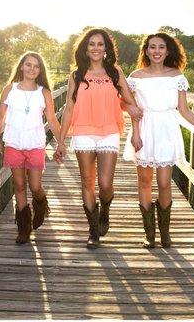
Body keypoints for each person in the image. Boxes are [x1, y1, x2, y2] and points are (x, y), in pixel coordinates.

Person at [123, 32, 194, 248]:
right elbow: (133, 109)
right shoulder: (136, 76)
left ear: (168, 50)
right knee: (144, 182)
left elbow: (183, 110)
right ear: (146, 50)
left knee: (164, 183)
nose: (156, 51)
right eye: (152, 47)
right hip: (144, 128)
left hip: (166, 130)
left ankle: (165, 233)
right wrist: (135, 133)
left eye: (161, 47)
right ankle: (150, 235)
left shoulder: (177, 76)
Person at [54, 28, 142, 248]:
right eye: (91, 44)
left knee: (105, 183)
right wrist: (61, 140)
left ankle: (106, 209)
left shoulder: (115, 72)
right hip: (83, 131)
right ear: (85, 48)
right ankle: (93, 229)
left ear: (106, 48)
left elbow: (129, 101)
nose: (95, 48)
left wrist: (132, 113)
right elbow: (69, 108)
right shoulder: (76, 75)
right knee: (87, 182)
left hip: (109, 131)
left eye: (100, 44)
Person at [0, 51, 62, 244]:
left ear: (40, 70)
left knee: (35, 185)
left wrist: (61, 142)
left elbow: (52, 119)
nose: (32, 69)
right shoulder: (9, 89)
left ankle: (40, 205)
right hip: (14, 143)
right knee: (20, 185)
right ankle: (24, 227)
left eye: (36, 66)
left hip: (35, 144)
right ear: (21, 66)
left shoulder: (44, 93)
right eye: (28, 64)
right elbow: (0, 117)